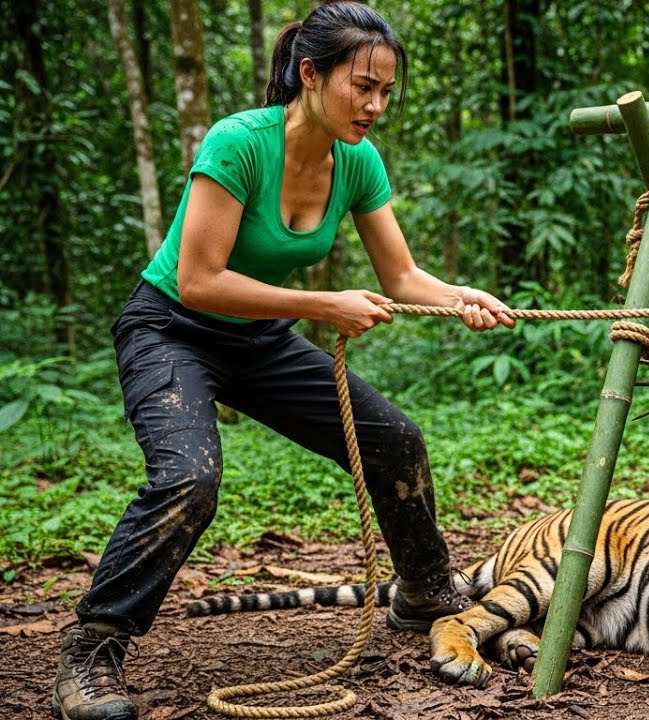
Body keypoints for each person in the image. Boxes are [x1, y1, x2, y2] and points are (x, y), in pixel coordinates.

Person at [51, 4, 514, 719]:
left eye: (386, 91)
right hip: (171, 329)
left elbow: (402, 278)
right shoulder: (239, 142)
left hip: (261, 341)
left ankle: (424, 592)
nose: (375, 105)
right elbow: (202, 278)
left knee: (394, 440)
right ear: (310, 73)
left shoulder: (357, 160)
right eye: (362, 86)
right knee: (188, 480)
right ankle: (92, 650)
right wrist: (326, 303)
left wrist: (460, 298)